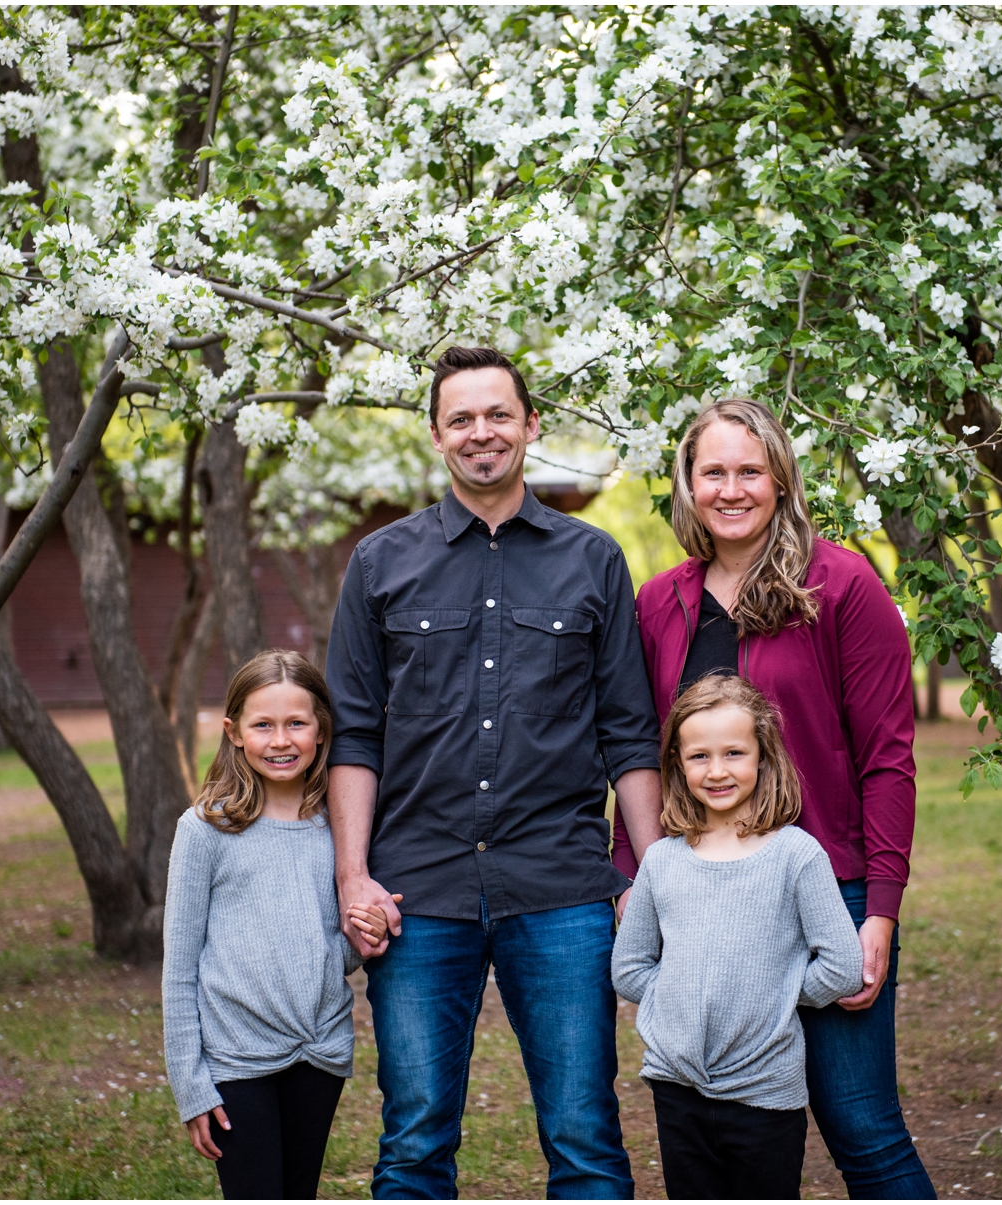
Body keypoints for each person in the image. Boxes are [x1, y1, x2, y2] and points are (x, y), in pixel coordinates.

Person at [327, 346, 664, 1199]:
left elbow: (629, 734)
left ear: (531, 424)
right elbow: (355, 734)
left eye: (499, 415)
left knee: (586, 1137)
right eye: (463, 419)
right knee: (413, 1144)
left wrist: (654, 877)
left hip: (560, 886)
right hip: (417, 891)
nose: (483, 433)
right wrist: (353, 877)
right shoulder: (378, 564)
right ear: (437, 435)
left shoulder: (594, 560)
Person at [611, 395, 937, 1198]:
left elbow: (889, 758)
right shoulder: (661, 603)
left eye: (749, 470)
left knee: (860, 1123)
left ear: (780, 479)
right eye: (712, 471)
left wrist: (880, 912)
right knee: (715, 1123)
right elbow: (640, 748)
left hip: (829, 887)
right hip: (709, 896)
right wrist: (637, 874)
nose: (731, 488)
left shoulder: (841, 584)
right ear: (687, 484)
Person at [612, 675, 863, 1199]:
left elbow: (840, 964)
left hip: (765, 1091)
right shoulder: (661, 861)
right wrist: (680, 996)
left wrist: (767, 995)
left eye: (733, 752)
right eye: (699, 756)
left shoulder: (796, 856)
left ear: (762, 758)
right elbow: (630, 969)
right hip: (676, 1085)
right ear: (678, 764)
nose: (718, 770)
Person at [163, 650, 359, 1201]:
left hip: (318, 1052)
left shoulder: (338, 827)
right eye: (263, 725)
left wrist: (361, 936)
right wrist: (190, 1085)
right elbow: (179, 970)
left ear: (321, 731)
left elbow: (335, 948)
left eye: (296, 723)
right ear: (233, 732)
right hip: (235, 1060)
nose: (281, 740)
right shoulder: (205, 830)